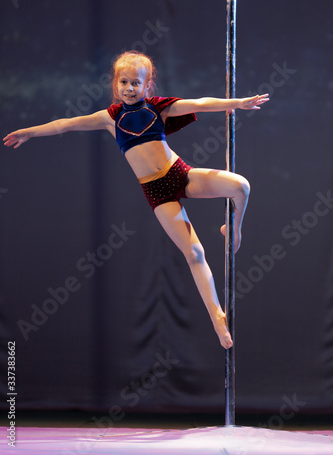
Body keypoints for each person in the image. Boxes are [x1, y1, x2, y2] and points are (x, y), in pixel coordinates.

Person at [3, 50, 269, 349]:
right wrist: (30, 132)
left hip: (179, 173)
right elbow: (66, 124)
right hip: (156, 191)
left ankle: (233, 229)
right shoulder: (109, 118)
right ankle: (217, 317)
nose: (129, 88)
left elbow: (202, 103)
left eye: (136, 83)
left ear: (148, 86)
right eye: (124, 82)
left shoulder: (159, 108)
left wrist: (238, 103)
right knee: (194, 253)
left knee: (240, 186)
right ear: (115, 84)